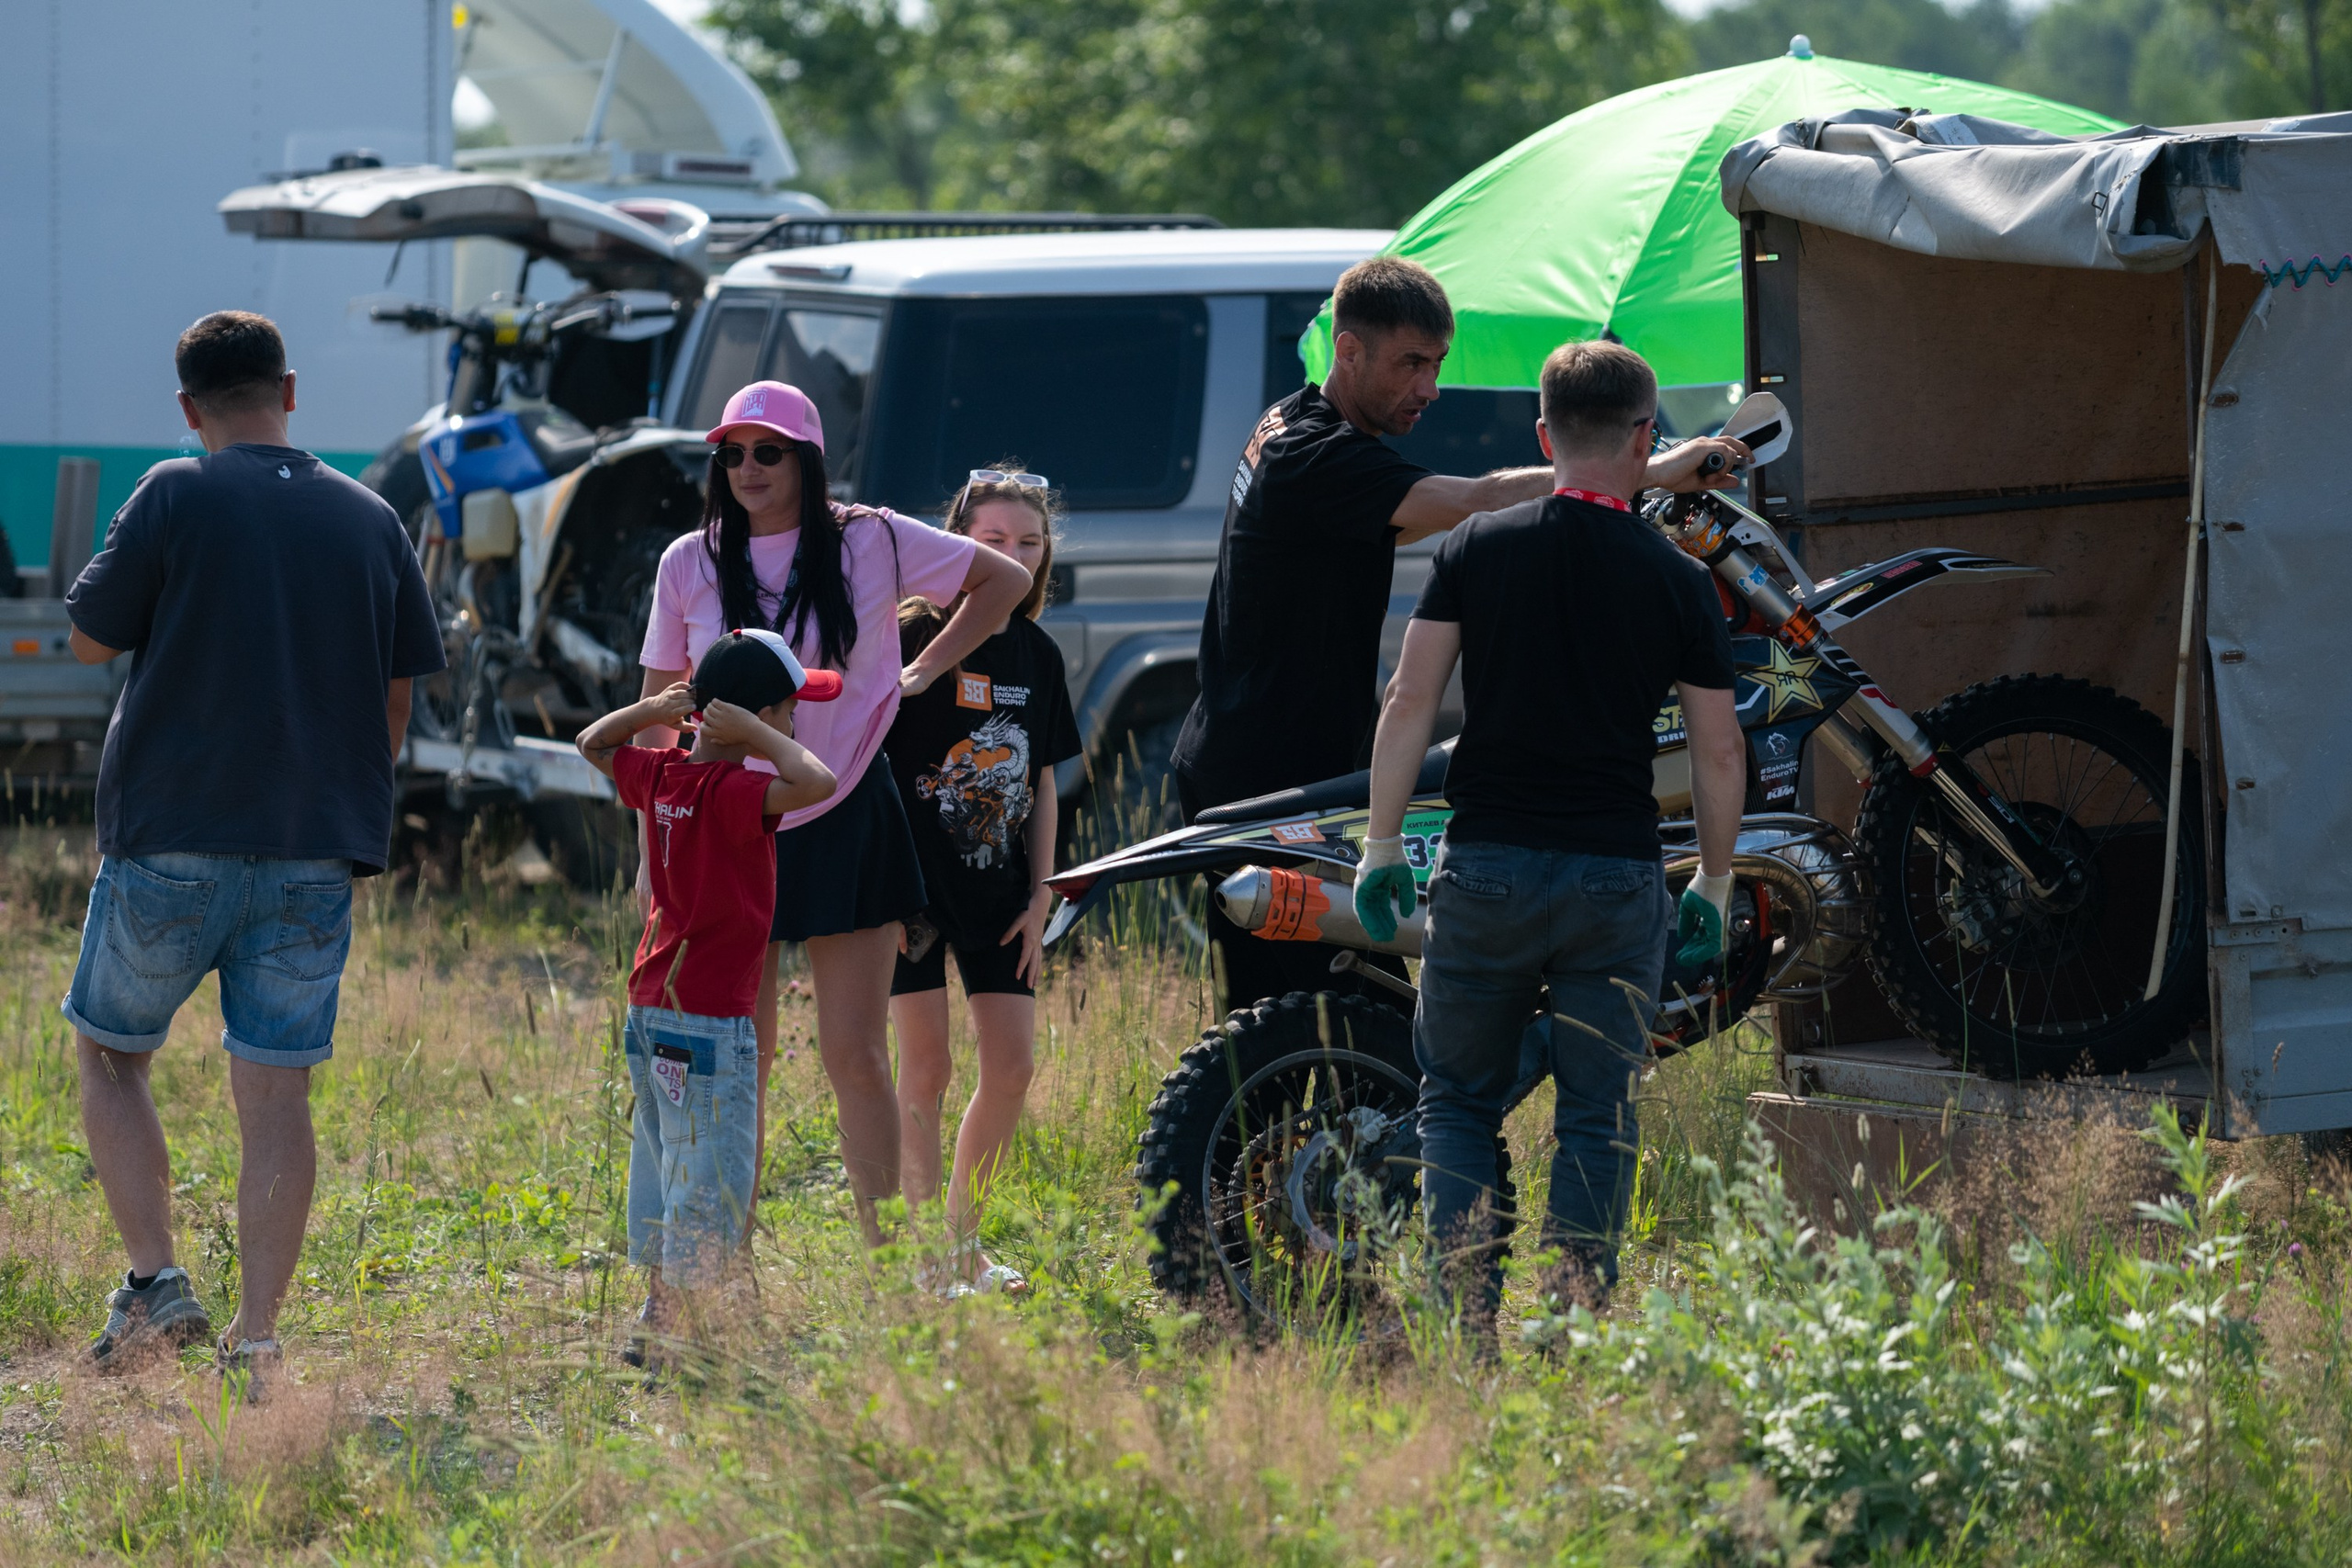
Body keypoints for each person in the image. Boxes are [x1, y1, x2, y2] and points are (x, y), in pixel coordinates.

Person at [1170, 256, 1743, 1012]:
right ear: (1348, 350)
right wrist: (1652, 470)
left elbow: (1376, 526)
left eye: (1437, 364)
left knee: (1349, 1012)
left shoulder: (1297, 420)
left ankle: (1319, 1131)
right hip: (1268, 772)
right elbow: (1469, 499)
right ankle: (1271, 1136)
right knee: (1302, 1021)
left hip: (1276, 753)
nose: (1429, 390)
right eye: (1411, 364)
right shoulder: (1312, 455)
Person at [62, 310, 445, 1382]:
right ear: (290, 388)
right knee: (276, 1095)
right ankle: (261, 1341)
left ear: (188, 409)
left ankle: (154, 1284)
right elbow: (398, 695)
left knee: (110, 1052)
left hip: (171, 834)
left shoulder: (175, 492)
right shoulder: (372, 518)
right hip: (316, 845)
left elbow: (92, 635)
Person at [1355, 339, 1747, 1333]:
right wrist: (1711, 879)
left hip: (1484, 866)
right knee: (1594, 1117)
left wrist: (1382, 845)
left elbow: (1408, 702)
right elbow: (1718, 751)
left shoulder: (1475, 548)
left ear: (1544, 436)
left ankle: (1461, 1327)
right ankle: (1568, 1332)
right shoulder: (1677, 580)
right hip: (1616, 882)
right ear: (1643, 437)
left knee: (1456, 1102)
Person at [635, 382, 1032, 1247]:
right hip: (728, 818)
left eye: (767, 452)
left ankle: (886, 1263)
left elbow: (1004, 578)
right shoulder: (687, 561)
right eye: (732, 453)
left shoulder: (872, 538)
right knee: (742, 1060)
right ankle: (721, 1268)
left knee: (853, 1052)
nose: (747, 469)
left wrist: (920, 671)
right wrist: (649, 857)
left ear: (806, 462)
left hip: (844, 803)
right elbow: (660, 714)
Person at [577, 630, 838, 1359]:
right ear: (748, 718)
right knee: (711, 1180)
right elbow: (818, 781)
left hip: (650, 1007)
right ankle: (684, 1339)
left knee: (666, 1164)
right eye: (786, 712)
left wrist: (653, 709)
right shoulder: (733, 791)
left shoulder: (663, 777)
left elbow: (591, 744)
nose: (791, 727)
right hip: (714, 1022)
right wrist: (756, 733)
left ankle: (657, 1317)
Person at [886, 468, 1081, 1292]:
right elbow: (868, 765)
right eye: (993, 540)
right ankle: (924, 1260)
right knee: (924, 1070)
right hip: (909, 892)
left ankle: (964, 1244)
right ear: (955, 539)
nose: (1012, 554)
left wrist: (1043, 894)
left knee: (1012, 1068)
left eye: (1028, 542)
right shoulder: (907, 635)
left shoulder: (1037, 652)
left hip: (1002, 893)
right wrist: (881, 888)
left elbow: (1041, 780)